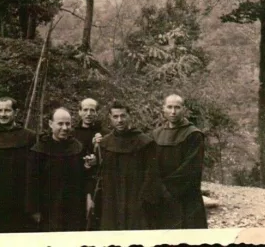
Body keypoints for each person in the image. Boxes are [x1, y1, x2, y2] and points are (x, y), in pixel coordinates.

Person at [97, 101, 163, 231]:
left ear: (129, 116)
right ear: (110, 118)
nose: (120, 120)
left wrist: (144, 199)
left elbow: (152, 174)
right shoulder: (105, 144)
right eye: (115, 117)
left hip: (136, 199)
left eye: (123, 116)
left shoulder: (144, 142)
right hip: (112, 199)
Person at [26, 107, 89, 232]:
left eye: (68, 124)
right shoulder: (39, 150)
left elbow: (84, 178)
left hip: (74, 208)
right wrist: (34, 210)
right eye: (60, 124)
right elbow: (31, 183)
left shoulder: (78, 147)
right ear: (50, 124)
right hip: (49, 209)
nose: (65, 128)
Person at [151, 94, 208, 229]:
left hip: (186, 196)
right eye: (169, 107)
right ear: (163, 109)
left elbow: (191, 167)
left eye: (177, 107)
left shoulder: (193, 134)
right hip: (162, 195)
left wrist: (168, 188)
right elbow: (151, 164)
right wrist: (158, 187)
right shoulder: (157, 134)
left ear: (184, 109)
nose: (173, 112)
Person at [0, 97, 36, 233]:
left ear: (15, 112)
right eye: (0, 110)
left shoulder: (29, 137)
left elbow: (35, 170)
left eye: (7, 110)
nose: (3, 114)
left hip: (23, 199)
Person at [72, 97, 106, 230]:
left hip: (96, 183)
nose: (88, 113)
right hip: (77, 182)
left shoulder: (103, 134)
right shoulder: (72, 133)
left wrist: (97, 159)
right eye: (85, 110)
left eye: (92, 110)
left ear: (97, 113)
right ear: (79, 112)